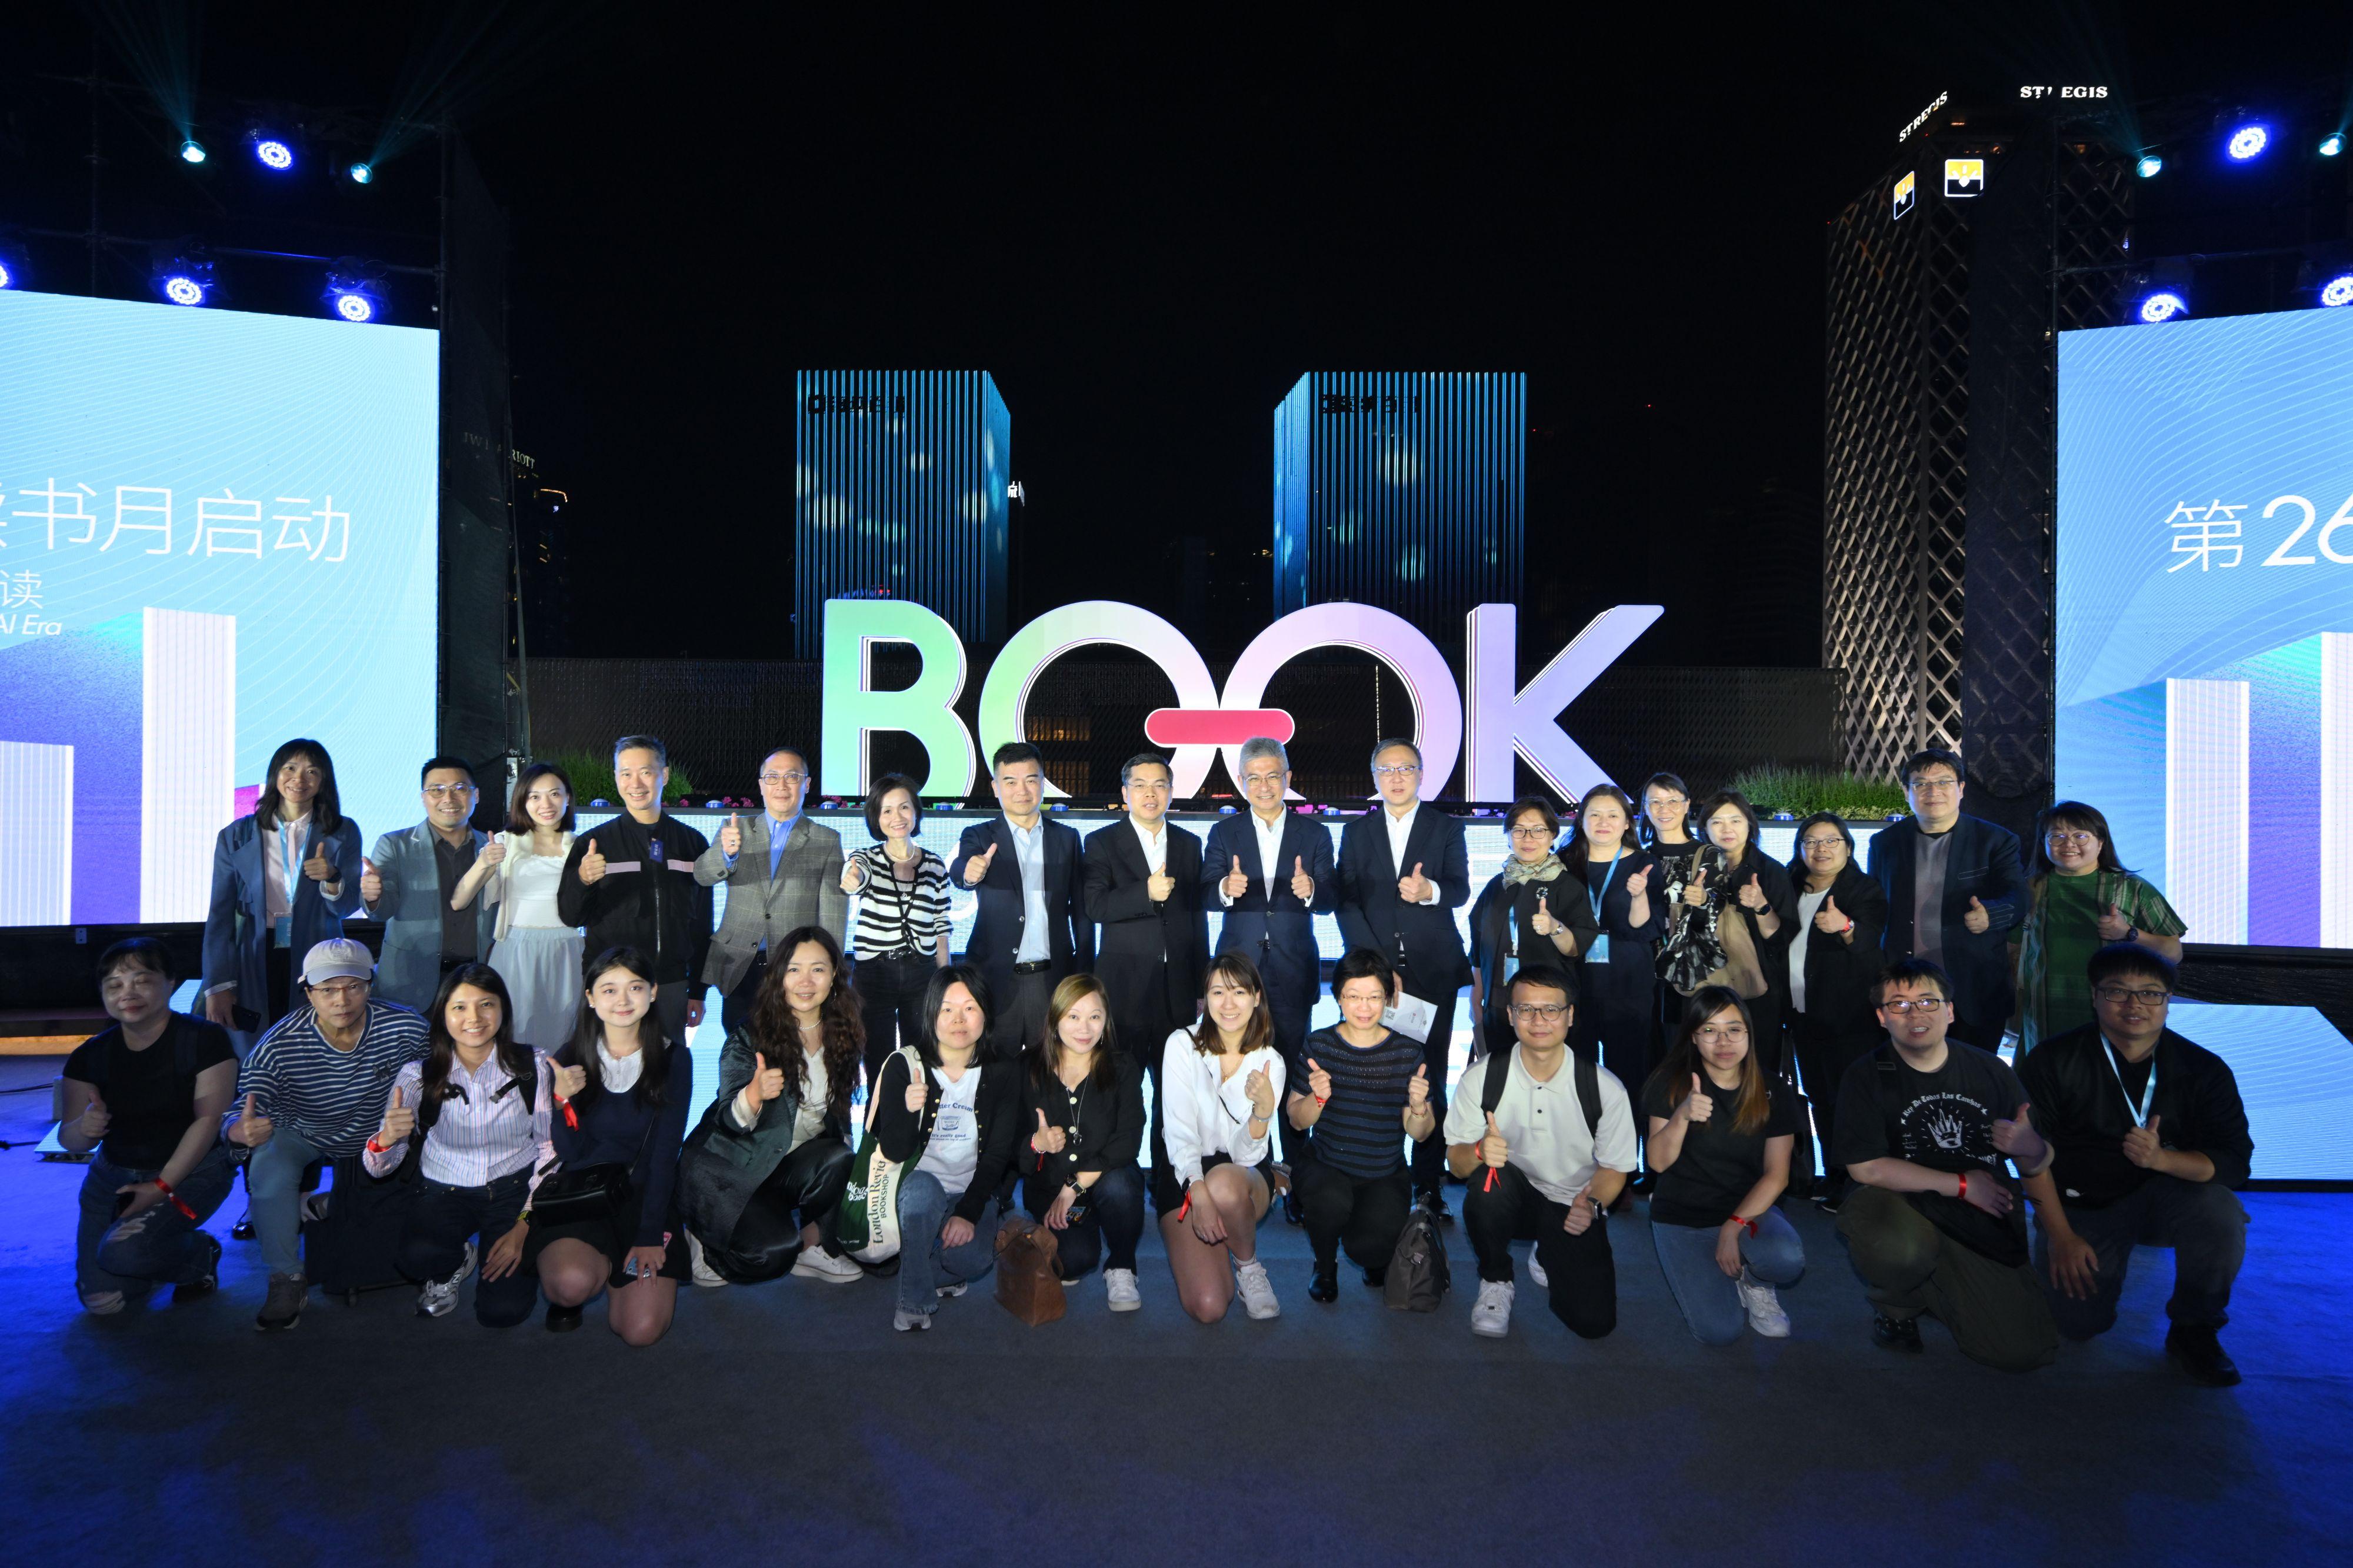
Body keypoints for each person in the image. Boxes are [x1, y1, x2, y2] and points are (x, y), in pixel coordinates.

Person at [2018, 946, 2252, 1386]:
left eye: (2151, 994)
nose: (2135, 1005)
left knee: (2220, 1214)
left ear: (2168, 1001)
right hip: (2086, 1202)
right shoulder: (2052, 1060)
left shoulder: (2204, 1069)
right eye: (2118, 992)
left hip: (2170, 1196)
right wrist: (2061, 1236)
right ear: (2094, 997)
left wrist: (2161, 1158)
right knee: (2078, 1325)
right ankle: (2068, 1258)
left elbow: (2235, 1162)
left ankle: (2195, 1327)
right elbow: (2030, 1158)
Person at [1832, 958, 2058, 1372]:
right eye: (1898, 1005)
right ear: (1882, 1017)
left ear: (1950, 1011)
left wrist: (2031, 1148)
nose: (1915, 1014)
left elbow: (2037, 1162)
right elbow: (1866, 1168)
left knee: (2019, 1351)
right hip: (1898, 1205)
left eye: (1928, 1002)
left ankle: (1941, 1283)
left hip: (1979, 1210)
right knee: (1900, 1250)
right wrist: (1960, 1184)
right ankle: (1898, 1305)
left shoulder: (1990, 1070)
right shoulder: (1865, 1076)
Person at [227, 937, 431, 1331]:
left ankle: (339, 1208)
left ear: (369, 987)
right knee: (268, 1169)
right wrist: (239, 1130)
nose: (342, 1000)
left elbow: (439, 1077)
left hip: (382, 1133)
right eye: (327, 989)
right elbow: (243, 1110)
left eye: (353, 986)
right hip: (305, 1131)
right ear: (308, 992)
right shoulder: (279, 1044)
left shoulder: (406, 1027)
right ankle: (287, 1277)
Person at [1444, 964, 1637, 1340]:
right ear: (1511, 1016)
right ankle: (1496, 1279)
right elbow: (1457, 1164)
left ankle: (1547, 1247)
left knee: (1593, 1324)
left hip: (1571, 1202)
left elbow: (1615, 1169)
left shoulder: (1604, 1088)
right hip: (1511, 1195)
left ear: (1570, 1016)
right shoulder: (1482, 1077)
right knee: (1486, 1185)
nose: (1538, 1020)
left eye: (1551, 1009)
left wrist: (1593, 1204)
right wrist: (1481, 1150)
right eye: (1526, 1009)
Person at [360, 965, 554, 1328]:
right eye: (459, 1007)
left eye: (486, 1004)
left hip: (513, 1189)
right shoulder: (417, 1076)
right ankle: (458, 1259)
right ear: (443, 1014)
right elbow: (378, 1169)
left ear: (503, 1010)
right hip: (444, 1189)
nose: (474, 1018)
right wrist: (386, 1140)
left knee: (503, 1313)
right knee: (416, 1257)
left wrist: (526, 1224)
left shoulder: (534, 1065)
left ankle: (513, 1248)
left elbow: (549, 1150)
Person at [676, 928, 863, 1287]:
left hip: (782, 1163)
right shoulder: (750, 1036)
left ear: (835, 975)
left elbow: (838, 1120)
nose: (806, 982)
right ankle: (703, 1237)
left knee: (841, 1154)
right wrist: (753, 1095)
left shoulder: (843, 1032)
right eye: (794, 969)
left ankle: (812, 1248)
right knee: (771, 1256)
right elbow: (728, 1123)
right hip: (729, 1168)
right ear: (779, 977)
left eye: (818, 969)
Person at [59, 939, 238, 1314]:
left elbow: (208, 1122)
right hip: (113, 1177)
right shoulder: (88, 1056)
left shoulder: (205, 1040)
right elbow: (68, 1138)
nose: (128, 993)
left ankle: (199, 1256)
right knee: (103, 1302)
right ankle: (149, 1252)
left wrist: (160, 1187)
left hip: (192, 1172)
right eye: (115, 985)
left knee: (125, 1257)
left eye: (142, 980)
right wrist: (85, 1128)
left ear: (169, 982)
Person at [529, 947, 694, 1342]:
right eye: (609, 990)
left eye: (634, 988)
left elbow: (664, 1155)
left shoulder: (675, 1060)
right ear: (590, 997)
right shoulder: (570, 1057)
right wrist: (562, 1102)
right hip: (584, 1194)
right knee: (569, 1284)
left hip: (644, 1195)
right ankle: (591, 1270)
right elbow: (571, 1154)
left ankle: (621, 1271)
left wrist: (651, 1233)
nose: (622, 1000)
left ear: (653, 993)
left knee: (642, 1331)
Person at [1333, 737, 1469, 1214]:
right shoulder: (1355, 833)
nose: (1396, 777)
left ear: (1421, 774)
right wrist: (1378, 968)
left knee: (1426, 1075)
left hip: (1433, 973)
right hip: (1377, 980)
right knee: (1375, 1075)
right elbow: (1345, 900)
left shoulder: (1446, 828)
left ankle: (1428, 1184)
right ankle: (1377, 1175)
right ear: (1375, 779)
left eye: (1405, 768)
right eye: (1386, 770)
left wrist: (1429, 889)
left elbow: (1459, 888)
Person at [1201, 736, 1334, 1193]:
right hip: (1239, 973)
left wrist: (1311, 890)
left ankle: (1296, 1176)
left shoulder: (1315, 833)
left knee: (1295, 1069)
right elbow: (1205, 892)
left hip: (1295, 971)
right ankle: (1243, 1171)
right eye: (1253, 778)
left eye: (1272, 776)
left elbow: (1332, 897)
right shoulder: (1224, 833)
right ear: (1242, 782)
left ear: (1288, 779)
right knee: (1234, 1071)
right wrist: (1225, 888)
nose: (1263, 786)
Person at [1642, 987, 1805, 1344]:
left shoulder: (1772, 1089)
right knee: (1719, 1332)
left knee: (1787, 1257)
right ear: (1694, 1038)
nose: (1724, 1041)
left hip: (1750, 1213)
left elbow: (1777, 1176)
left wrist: (1733, 1227)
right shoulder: (1669, 1083)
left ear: (1749, 1033)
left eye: (1734, 1029)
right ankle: (1719, 1272)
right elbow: (1657, 1162)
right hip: (1682, 1218)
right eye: (1710, 1031)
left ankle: (1755, 1283)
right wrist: (1682, 1116)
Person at [1083, 752, 1207, 1206]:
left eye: (1159, 785)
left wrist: (1200, 988)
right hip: (1122, 993)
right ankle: (1118, 1177)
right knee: (1119, 1090)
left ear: (1171, 792)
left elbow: (1196, 921)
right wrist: (1144, 894)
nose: (1150, 793)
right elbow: (1095, 907)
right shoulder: (1100, 843)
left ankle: (1167, 1183)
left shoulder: (1190, 845)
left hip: (1177, 996)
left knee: (1173, 1096)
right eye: (1140, 785)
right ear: (1125, 793)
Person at [872, 966, 1023, 1331]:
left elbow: (999, 1155)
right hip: (915, 1189)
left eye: (970, 1008)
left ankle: (919, 1256)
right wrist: (909, 1111)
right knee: (922, 1194)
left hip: (972, 1190)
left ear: (985, 1014)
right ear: (930, 1014)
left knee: (972, 1262)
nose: (959, 1019)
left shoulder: (1002, 1071)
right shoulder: (904, 1065)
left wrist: (968, 1213)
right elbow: (893, 1151)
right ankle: (912, 1303)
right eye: (947, 1009)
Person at [1287, 949, 1438, 1302]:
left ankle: (1371, 1246)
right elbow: (1295, 1121)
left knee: (1372, 1250)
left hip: (1383, 1170)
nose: (1364, 1007)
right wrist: (1317, 1099)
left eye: (1374, 997)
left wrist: (1418, 1108)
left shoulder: (1407, 1052)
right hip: (1326, 1165)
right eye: (1353, 996)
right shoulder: (1319, 1044)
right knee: (1329, 1201)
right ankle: (1324, 1264)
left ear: (1388, 999)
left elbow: (1421, 1134)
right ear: (1338, 997)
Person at [202, 739, 363, 1043]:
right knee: (256, 1044)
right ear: (275, 774)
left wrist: (332, 877)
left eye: (312, 771)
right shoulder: (236, 835)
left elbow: (346, 906)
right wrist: (219, 984)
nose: (299, 779)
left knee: (313, 1045)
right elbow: (219, 915)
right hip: (254, 951)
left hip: (317, 948)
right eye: (290, 768)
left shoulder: (343, 831)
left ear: (323, 781)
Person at [557, 735, 713, 1046]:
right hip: (612, 986)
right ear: (616, 778)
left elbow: (702, 924)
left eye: (646, 772)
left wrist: (697, 990)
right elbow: (570, 916)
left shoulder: (693, 843)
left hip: (670, 985)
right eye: (625, 773)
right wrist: (582, 880)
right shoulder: (593, 843)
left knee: (669, 1075)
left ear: (664, 775)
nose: (635, 783)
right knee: (605, 1076)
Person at [1865, 748, 2026, 1047]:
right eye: (1921, 783)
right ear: (1906, 792)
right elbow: (1875, 906)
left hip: (1973, 985)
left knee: (1975, 1083)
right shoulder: (1885, 843)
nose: (1933, 791)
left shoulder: (1996, 840)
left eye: (1943, 782)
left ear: (1961, 789)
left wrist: (1991, 915)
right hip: (1906, 986)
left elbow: (2018, 896)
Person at [1158, 955, 1287, 1323]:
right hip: (1185, 1169)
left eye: (1239, 992)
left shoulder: (1270, 1062)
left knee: (1226, 1186)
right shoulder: (1181, 1045)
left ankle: (1247, 1265)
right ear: (1205, 999)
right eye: (1218, 992)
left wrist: (1263, 1112)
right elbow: (1179, 1131)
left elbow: (1244, 1155)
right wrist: (1196, 1190)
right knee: (1210, 1307)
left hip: (1239, 1173)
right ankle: (1221, 1249)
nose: (1228, 1004)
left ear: (1257, 997)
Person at [948, 742, 1092, 1055]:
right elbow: (960, 871)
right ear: (996, 788)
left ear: (1043, 782)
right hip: (997, 977)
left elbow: (1081, 913)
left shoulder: (1067, 838)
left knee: (1051, 1073)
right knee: (996, 1077)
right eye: (1010, 781)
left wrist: (1083, 974)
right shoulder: (979, 835)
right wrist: (970, 873)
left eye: (1031, 779)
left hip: (1053, 978)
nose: (1022, 790)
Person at [2013, 801, 2187, 1056]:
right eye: (2057, 836)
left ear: (2101, 842)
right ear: (2044, 844)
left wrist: (2129, 933)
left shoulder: (2133, 888)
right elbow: (2012, 949)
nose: (2069, 844)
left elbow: (2174, 952)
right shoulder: (2030, 889)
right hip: (2043, 1014)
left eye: (2080, 836)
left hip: (2114, 1010)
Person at [695, 746, 848, 1033]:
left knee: (791, 1055)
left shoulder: (826, 839)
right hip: (739, 964)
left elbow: (833, 916)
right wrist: (726, 855)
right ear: (761, 785)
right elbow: (702, 876)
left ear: (807, 784)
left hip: (795, 971)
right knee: (740, 1054)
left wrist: (832, 973)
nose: (781, 785)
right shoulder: (735, 829)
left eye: (792, 776)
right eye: (772, 777)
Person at [1018, 975, 1148, 1310]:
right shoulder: (1029, 1068)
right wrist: (1038, 1143)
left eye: (1095, 1016)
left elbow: (1129, 1139)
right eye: (1073, 1016)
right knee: (1074, 1261)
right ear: (1055, 1020)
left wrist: (1074, 1186)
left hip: (1104, 1178)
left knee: (1121, 1187)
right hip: (1049, 1187)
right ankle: (1062, 1235)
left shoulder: (1122, 1066)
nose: (1084, 1027)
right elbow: (1012, 1153)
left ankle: (1122, 1265)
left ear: (1106, 1023)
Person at [1783, 812, 1890, 1210]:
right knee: (1820, 1098)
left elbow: (1870, 939)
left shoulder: (1864, 889)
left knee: (1852, 1100)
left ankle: (1857, 1181)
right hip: (1801, 1015)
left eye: (1831, 841)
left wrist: (1845, 926)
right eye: (1811, 841)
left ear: (1848, 846)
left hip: (1850, 1018)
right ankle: (1834, 1174)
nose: (1821, 849)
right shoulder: (1790, 887)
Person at [1661, 792, 1796, 1078]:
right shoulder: (1691, 867)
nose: (1727, 829)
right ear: (1705, 828)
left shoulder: (1771, 871)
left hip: (1756, 989)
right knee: (1700, 1071)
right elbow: (1672, 927)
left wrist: (1761, 906)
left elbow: (1780, 938)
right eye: (1717, 822)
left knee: (1758, 1072)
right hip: (1701, 984)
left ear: (1750, 825)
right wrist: (1692, 904)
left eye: (1736, 820)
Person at [452, 762, 583, 1050]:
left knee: (565, 1037)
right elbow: (459, 900)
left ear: (568, 798)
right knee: (513, 1036)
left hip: (568, 950)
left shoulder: (582, 846)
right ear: (522, 801)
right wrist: (484, 862)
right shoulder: (505, 843)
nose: (545, 804)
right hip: (516, 949)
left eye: (554, 794)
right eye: (534, 796)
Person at [361, 757, 498, 1013]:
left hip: (476, 979)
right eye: (437, 790)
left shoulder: (492, 848)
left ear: (476, 795)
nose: (449, 798)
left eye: (459, 788)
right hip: (410, 980)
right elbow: (380, 912)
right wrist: (373, 897)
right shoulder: (395, 845)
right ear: (424, 798)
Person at [842, 773, 951, 1085]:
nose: (897, 817)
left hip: (922, 972)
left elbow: (941, 922)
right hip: (874, 973)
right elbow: (855, 878)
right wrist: (852, 881)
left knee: (922, 1055)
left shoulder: (935, 865)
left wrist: (944, 976)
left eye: (904, 807)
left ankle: (916, 1127)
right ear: (876, 818)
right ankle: (877, 1129)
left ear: (915, 811)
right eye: (886, 810)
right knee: (878, 1056)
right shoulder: (866, 858)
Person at [1468, 795, 1597, 1055]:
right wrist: (1475, 998)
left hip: (1547, 1012)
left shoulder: (1568, 886)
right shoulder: (1497, 885)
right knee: (1500, 1083)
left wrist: (1555, 928)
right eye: (1519, 830)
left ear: (1552, 836)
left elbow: (1577, 947)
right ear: (1508, 835)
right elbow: (1478, 947)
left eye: (1538, 830)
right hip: (1499, 1006)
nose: (1528, 839)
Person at [1559, 785, 1661, 1096]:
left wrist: (1639, 894)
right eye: (1595, 815)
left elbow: (1644, 929)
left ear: (1628, 822)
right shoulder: (1563, 863)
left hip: (1628, 988)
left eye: (1613, 815)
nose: (1604, 822)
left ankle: (1627, 1144)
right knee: (1577, 1084)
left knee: (1628, 1080)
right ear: (1581, 820)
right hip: (1575, 988)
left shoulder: (1645, 864)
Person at [1639, 770, 1706, 1046]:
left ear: (1687, 805)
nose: (1663, 810)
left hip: (1691, 976)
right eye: (1655, 802)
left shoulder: (1708, 856)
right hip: (1642, 974)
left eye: (1673, 802)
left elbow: (1718, 921)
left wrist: (1703, 902)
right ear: (1645, 808)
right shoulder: (1637, 856)